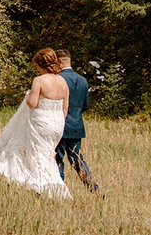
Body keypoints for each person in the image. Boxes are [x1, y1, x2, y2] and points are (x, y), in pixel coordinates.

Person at [0, 48, 71, 198]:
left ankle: (39, 187)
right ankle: (53, 187)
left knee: (37, 154)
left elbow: (32, 104)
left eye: (37, 66)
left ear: (41, 65)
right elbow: (65, 108)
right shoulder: (63, 82)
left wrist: (27, 95)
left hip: (42, 123)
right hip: (58, 124)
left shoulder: (39, 81)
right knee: (48, 154)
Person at [55, 48, 99, 193]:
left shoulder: (57, 79)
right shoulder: (82, 80)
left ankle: (59, 192)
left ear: (60, 62)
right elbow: (86, 105)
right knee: (78, 161)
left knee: (57, 160)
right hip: (76, 126)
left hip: (59, 125)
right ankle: (93, 189)